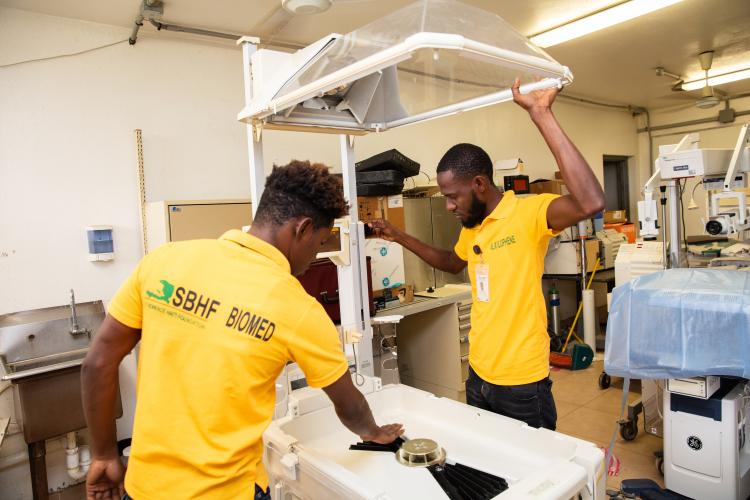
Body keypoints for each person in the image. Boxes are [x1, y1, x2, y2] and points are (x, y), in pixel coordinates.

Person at [81, 160, 404, 500]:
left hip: (144, 489)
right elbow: (349, 406)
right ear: (303, 228)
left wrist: (103, 455)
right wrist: (373, 431)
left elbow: (98, 363)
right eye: (321, 241)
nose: (316, 255)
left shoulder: (162, 262)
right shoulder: (299, 307)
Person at [369, 79, 605, 430]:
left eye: (453, 196)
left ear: (479, 184)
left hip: (522, 382)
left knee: (535, 475)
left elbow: (591, 201)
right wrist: (399, 235)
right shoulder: (473, 225)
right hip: (479, 376)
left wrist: (541, 114)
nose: (448, 206)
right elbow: (452, 263)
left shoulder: (528, 215)